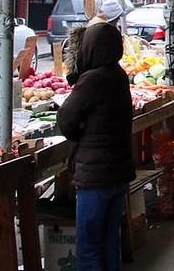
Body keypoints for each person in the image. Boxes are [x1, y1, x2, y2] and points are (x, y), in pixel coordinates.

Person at [57, 20, 134, 271]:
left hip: (96, 175)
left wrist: (77, 133)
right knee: (110, 240)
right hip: (118, 171)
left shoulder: (93, 79)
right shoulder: (118, 75)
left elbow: (66, 118)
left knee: (88, 246)